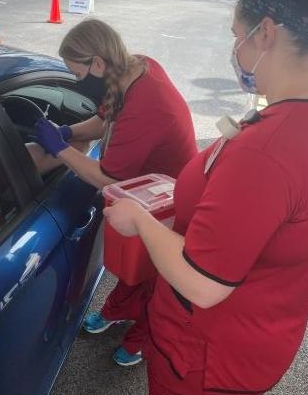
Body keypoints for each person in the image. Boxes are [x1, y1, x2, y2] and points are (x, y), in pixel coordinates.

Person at [103, 0, 308, 395]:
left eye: (238, 35)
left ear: (266, 32)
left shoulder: (270, 149)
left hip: (205, 357)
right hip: (258, 341)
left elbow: (204, 284)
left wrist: (140, 220)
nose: (236, 48)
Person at [34, 18, 198, 366]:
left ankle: (142, 339)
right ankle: (119, 309)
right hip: (145, 189)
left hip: (169, 198)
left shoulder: (147, 102)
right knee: (134, 266)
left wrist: (60, 149)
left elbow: (107, 178)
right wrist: (66, 131)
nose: (79, 83)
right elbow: (104, 119)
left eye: (78, 75)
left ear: (97, 63)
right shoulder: (131, 68)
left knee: (157, 275)